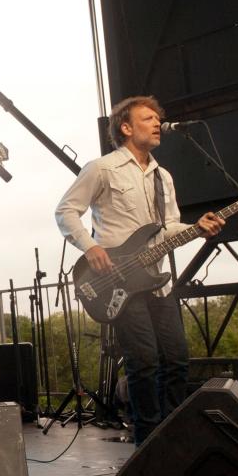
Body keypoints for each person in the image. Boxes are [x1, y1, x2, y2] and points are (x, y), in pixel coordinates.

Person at [54, 95, 223, 445]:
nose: (157, 122)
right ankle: (148, 444)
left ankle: (174, 438)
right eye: (148, 118)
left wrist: (198, 227)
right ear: (126, 128)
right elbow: (66, 211)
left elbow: (169, 227)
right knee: (143, 361)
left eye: (157, 118)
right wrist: (92, 246)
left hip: (156, 281)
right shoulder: (101, 168)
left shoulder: (164, 177)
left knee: (176, 359)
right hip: (116, 281)